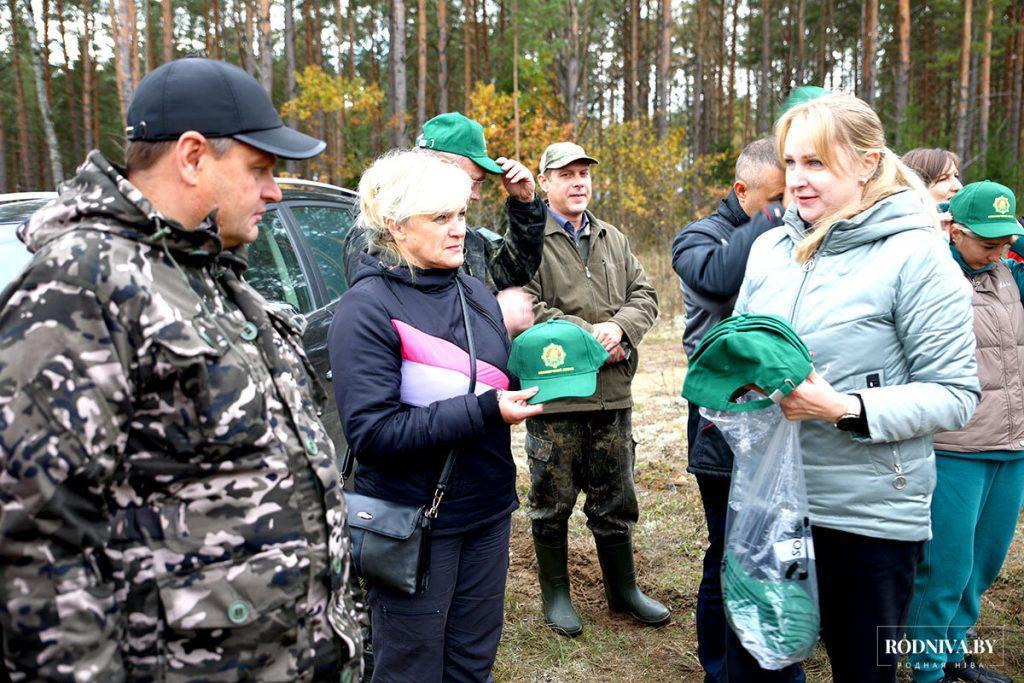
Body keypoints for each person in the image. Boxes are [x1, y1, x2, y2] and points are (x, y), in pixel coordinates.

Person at [0, 57, 364, 680]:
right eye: (260, 169)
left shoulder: (206, 272)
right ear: (193, 157)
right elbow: (34, 544)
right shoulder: (83, 286)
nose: (275, 191)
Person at [733, 93, 979, 681]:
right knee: (761, 660)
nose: (797, 180)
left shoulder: (917, 254)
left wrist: (844, 407)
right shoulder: (771, 248)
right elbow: (744, 348)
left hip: (867, 514)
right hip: (774, 501)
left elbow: (955, 393)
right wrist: (731, 381)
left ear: (868, 163)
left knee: (863, 668)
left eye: (816, 163)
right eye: (791, 163)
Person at [328, 150, 542, 682]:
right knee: (412, 668)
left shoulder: (474, 291)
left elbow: (496, 381)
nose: (459, 231)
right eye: (440, 219)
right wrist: (485, 410)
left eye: (461, 216)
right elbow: (374, 434)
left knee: (472, 664)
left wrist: (552, 365)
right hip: (411, 522)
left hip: (488, 509)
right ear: (397, 228)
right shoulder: (367, 309)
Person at [522, 142, 665, 638]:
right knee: (550, 499)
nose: (578, 181)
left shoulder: (613, 238)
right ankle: (556, 595)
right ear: (545, 182)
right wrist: (587, 337)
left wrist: (621, 329)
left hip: (611, 395)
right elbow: (527, 308)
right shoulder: (528, 240)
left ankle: (623, 592)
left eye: (583, 173)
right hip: (557, 398)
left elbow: (646, 295)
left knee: (614, 498)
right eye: (566, 174)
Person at [672, 138, 801, 683]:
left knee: (779, 543)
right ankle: (721, 668)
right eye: (778, 197)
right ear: (742, 191)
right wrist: (777, 219)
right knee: (730, 551)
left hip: (786, 419)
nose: (792, 207)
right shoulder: (698, 238)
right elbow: (718, 280)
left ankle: (776, 643)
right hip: (721, 423)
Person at [905, 181, 1024, 683]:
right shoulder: (929, 272)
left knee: (984, 565)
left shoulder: (1011, 273)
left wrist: (1002, 232)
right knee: (944, 570)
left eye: (1007, 240)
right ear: (953, 230)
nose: (1000, 251)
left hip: (1012, 445)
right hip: (955, 447)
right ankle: (926, 669)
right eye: (988, 242)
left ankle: (954, 656)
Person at [343, 112, 546, 334]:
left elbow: (511, 274)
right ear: (435, 167)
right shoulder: (374, 238)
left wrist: (525, 204)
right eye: (472, 181)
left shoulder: (463, 235)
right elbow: (406, 321)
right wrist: (494, 317)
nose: (476, 195)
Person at [903, 148, 963, 237]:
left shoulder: (972, 230)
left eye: (956, 176)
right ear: (916, 187)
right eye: (943, 179)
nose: (959, 187)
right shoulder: (904, 236)